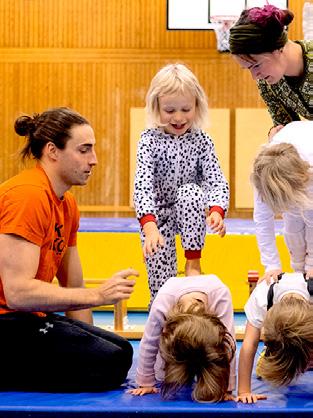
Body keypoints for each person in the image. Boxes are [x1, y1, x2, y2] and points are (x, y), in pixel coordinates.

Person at [0, 107, 138, 392]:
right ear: (52, 151)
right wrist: (99, 295)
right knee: (107, 363)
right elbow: (17, 293)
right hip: (7, 321)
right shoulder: (28, 196)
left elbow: (73, 284)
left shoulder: (66, 204)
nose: (94, 160)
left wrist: (91, 335)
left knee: (120, 351)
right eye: (84, 150)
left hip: (25, 319)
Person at [133, 63, 229, 303]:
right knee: (161, 288)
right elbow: (142, 185)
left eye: (186, 109)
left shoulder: (202, 140)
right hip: (159, 216)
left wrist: (217, 210)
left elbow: (215, 180)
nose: (178, 117)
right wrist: (149, 227)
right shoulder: (149, 140)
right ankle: (162, 322)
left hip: (191, 211)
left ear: (197, 106)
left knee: (191, 192)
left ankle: (193, 260)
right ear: (156, 107)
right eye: (169, 110)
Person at [127, 274, 236, 402]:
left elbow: (227, 345)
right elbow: (149, 342)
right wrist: (146, 383)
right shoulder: (163, 301)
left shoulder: (220, 296)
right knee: (165, 375)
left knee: (212, 357)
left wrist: (226, 388)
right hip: (175, 344)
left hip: (205, 340)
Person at [229, 4, 313, 139]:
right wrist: (277, 136)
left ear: (278, 49)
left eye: (256, 65)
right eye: (248, 69)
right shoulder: (267, 84)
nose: (255, 77)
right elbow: (288, 132)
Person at [252, 120, 313, 283]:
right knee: (293, 228)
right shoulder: (263, 173)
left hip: (305, 165)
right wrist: (271, 265)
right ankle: (300, 273)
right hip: (292, 162)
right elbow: (262, 220)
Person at [238, 271, 313, 404]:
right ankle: (277, 356)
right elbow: (249, 343)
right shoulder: (262, 296)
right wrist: (244, 391)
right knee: (279, 369)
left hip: (306, 341)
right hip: (284, 344)